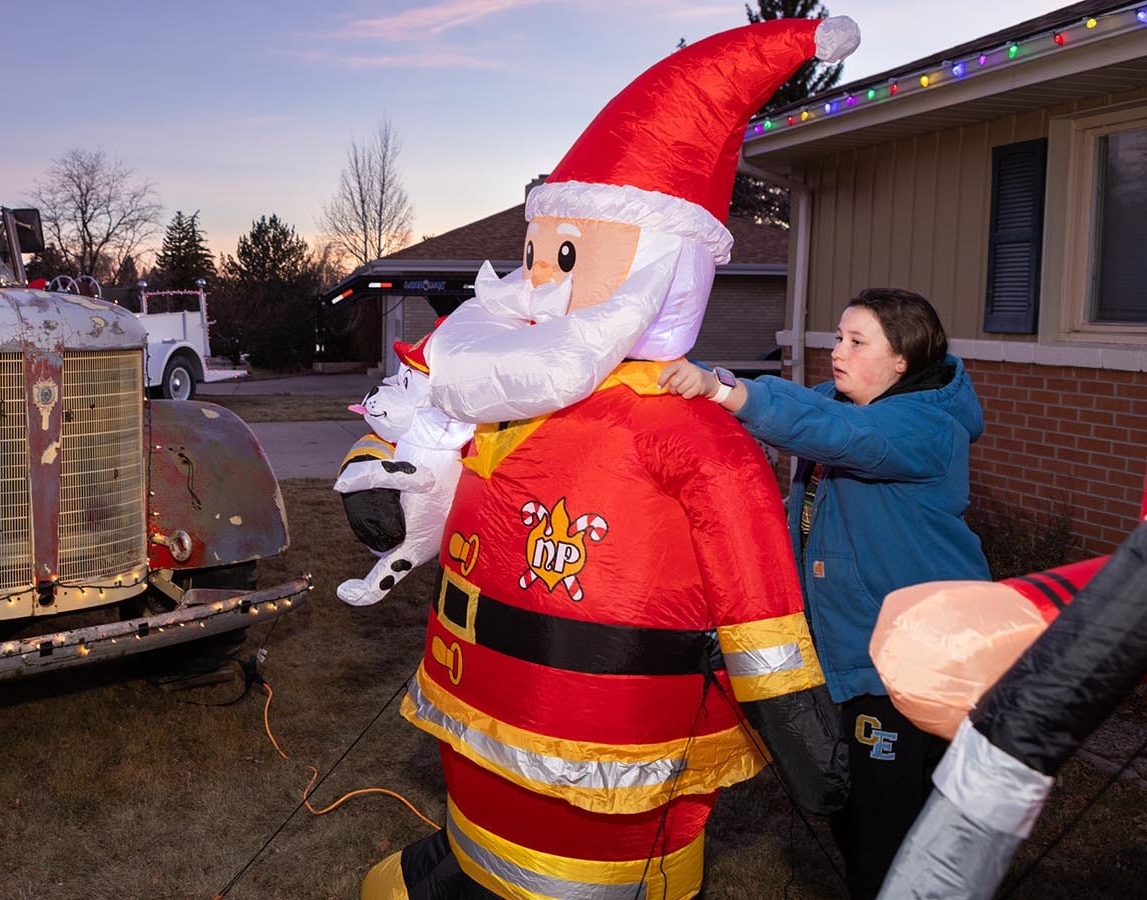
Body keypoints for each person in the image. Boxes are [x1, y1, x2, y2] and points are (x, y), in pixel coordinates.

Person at [359, 16, 859, 900]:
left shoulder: (686, 430)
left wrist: (789, 709)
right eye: (533, 256)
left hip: (601, 727)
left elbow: (753, 579)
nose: (540, 282)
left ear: (661, 268)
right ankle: (465, 860)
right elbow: (424, 427)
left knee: (583, 854)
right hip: (476, 689)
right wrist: (381, 472)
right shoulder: (515, 388)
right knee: (474, 802)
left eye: (565, 257)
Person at [659, 287, 991, 900]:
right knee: (858, 807)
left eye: (857, 342)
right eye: (838, 336)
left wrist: (722, 391)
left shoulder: (924, 428)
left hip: (917, 659)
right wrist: (708, 379)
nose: (837, 351)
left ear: (902, 362)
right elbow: (790, 401)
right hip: (858, 651)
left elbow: (838, 434)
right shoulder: (845, 403)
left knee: (884, 827)